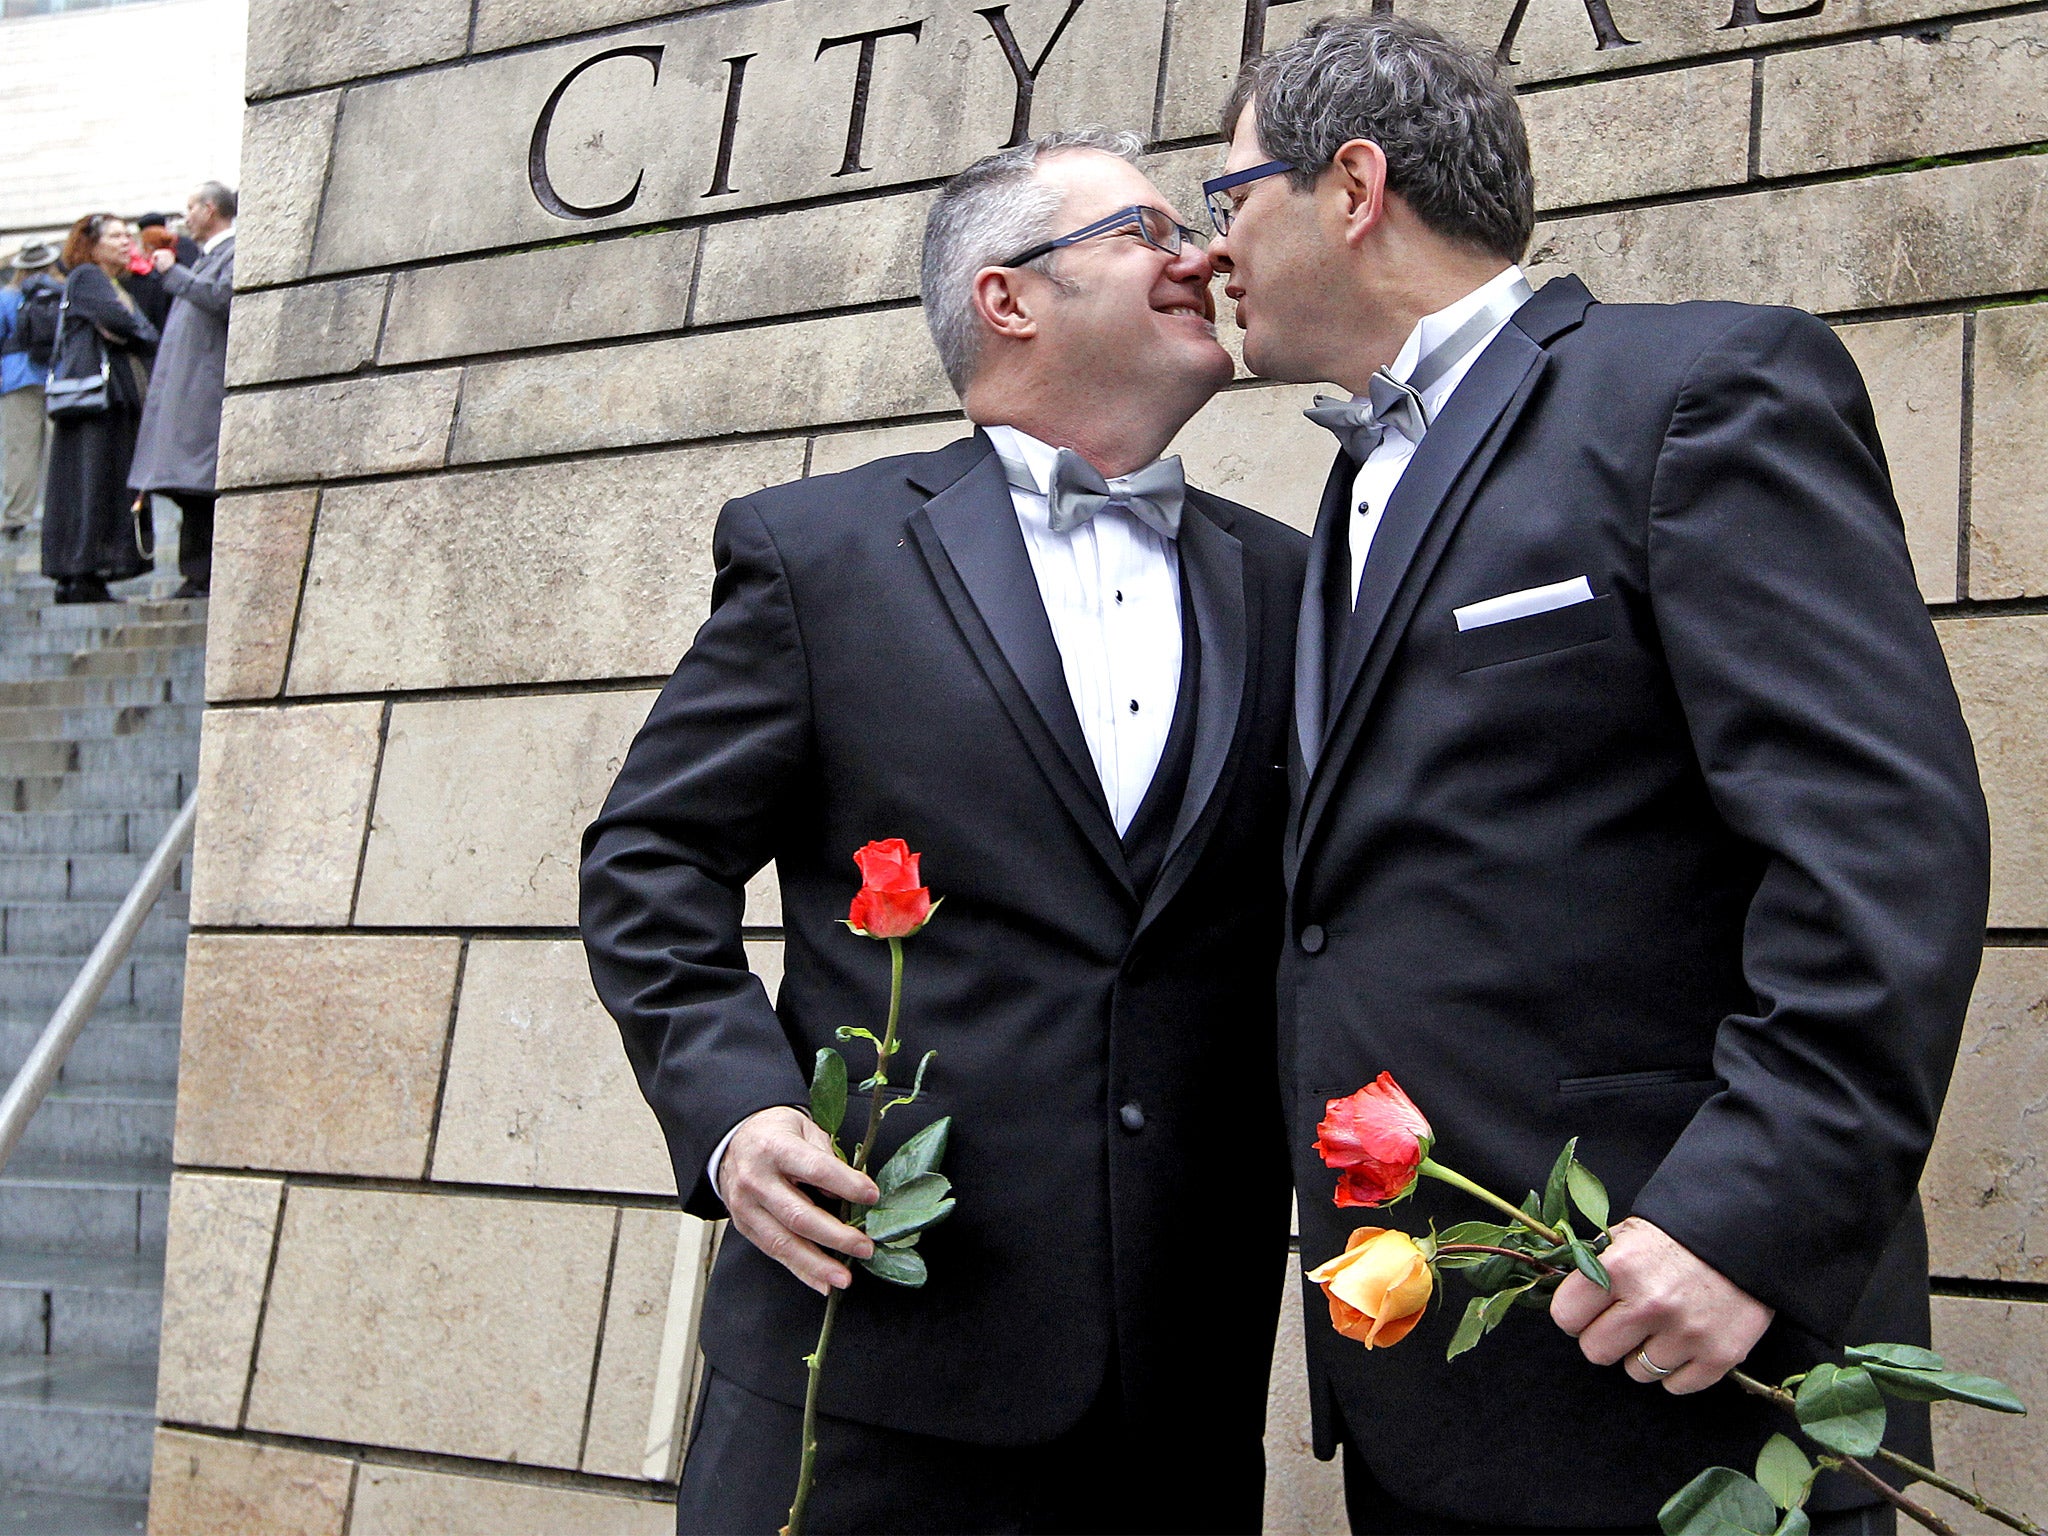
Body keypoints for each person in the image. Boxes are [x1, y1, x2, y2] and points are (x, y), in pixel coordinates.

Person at [1202, 17, 1989, 1535]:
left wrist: (1741, 1223)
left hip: (1683, 1360)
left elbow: (1879, 846)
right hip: (1431, 1397)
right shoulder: (1352, 482)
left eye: (1231, 196)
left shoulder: (1696, 391)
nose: (1213, 248)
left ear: (1352, 186)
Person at [581, 126, 1308, 1534]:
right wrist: (735, 1116)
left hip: (1178, 1400)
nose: (1204, 254)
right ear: (1010, 297)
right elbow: (648, 861)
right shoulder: (821, 555)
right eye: (1150, 230)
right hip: (862, 1375)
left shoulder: (1290, 583)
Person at [43, 214, 157, 604]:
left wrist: (132, 328)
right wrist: (132, 329)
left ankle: (82, 574)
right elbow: (130, 327)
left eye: (128, 235)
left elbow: (136, 328)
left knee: (95, 483)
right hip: (97, 403)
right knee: (93, 483)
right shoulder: (88, 278)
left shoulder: (112, 283)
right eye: (116, 236)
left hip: (105, 402)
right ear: (91, 245)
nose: (127, 242)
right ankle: (80, 573)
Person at [129, 182, 234, 599]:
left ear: (210, 210)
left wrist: (173, 271)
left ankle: (200, 574)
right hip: (185, 390)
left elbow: (222, 296)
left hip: (203, 393)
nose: (185, 216)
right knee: (186, 486)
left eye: (191, 207)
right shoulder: (208, 257)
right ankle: (196, 573)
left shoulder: (232, 251)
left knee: (196, 486)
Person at [0, 242, 61, 535]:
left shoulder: (7, 297)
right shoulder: (61, 292)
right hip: (56, 377)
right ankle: (61, 511)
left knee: (20, 451)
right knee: (59, 450)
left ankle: (16, 517)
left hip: (17, 379)